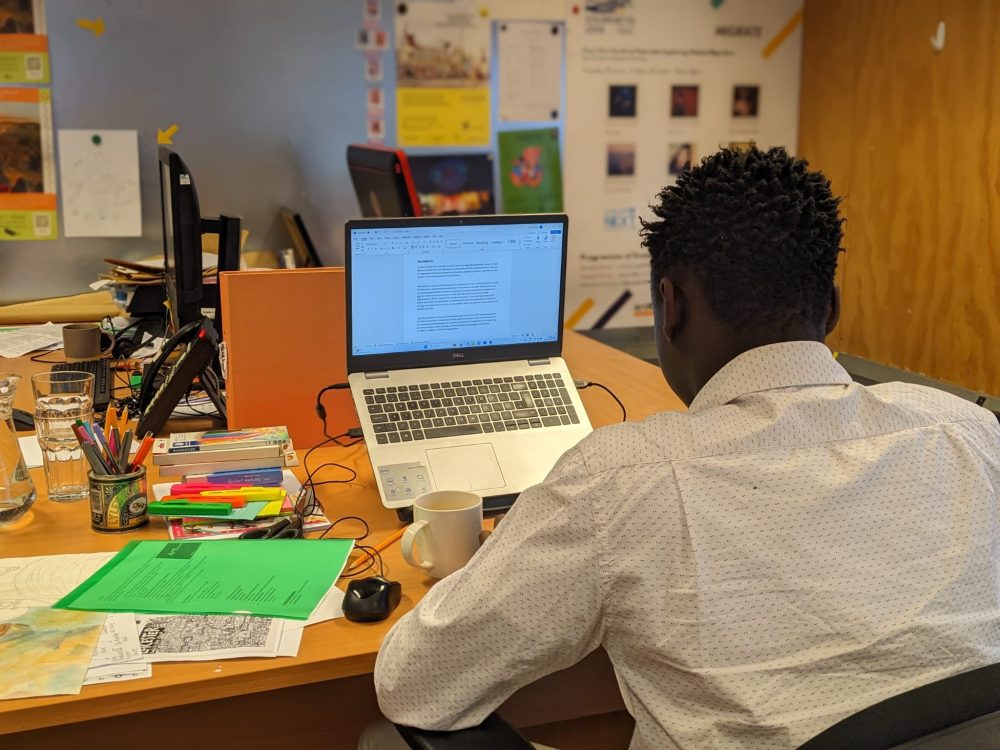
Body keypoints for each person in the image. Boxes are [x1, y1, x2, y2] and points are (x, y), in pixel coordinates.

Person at [363, 147, 1000, 749]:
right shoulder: (967, 431)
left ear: (670, 307)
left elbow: (416, 684)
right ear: (831, 307)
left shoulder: (619, 481)